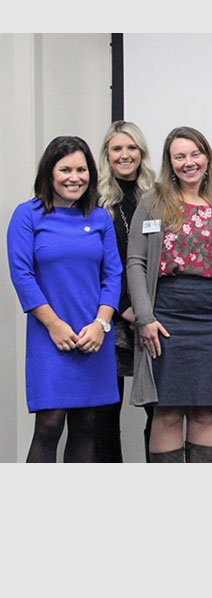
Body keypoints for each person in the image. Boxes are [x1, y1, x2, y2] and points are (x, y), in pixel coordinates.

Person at [127, 127, 212, 463]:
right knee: (166, 412)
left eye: (195, 154)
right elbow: (135, 262)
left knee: (204, 413)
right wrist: (145, 318)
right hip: (165, 319)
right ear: (170, 162)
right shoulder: (153, 202)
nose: (188, 162)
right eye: (180, 156)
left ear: (207, 158)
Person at [7, 136, 122, 462]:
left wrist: (101, 324)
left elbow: (113, 275)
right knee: (49, 424)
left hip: (94, 336)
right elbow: (22, 276)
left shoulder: (100, 218)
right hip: (49, 334)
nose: (75, 177)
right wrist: (54, 325)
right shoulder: (27, 215)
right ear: (49, 172)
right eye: (66, 169)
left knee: (87, 423)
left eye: (82, 169)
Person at [93, 121, 157, 462]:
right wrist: (123, 306)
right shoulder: (95, 201)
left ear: (142, 153)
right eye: (117, 148)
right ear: (107, 154)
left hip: (152, 316)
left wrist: (145, 309)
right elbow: (96, 264)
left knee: (158, 411)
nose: (125, 155)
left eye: (131, 148)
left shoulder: (159, 197)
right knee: (106, 412)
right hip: (113, 317)